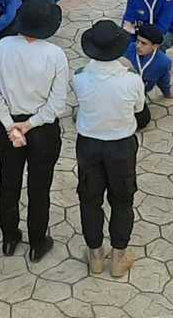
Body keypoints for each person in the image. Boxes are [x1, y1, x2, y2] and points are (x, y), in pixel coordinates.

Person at [0, 0, 68, 262]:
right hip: (41, 128)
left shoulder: (3, 47)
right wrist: (29, 124)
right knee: (39, 186)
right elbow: (57, 104)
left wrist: (10, 125)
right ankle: (37, 241)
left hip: (8, 125)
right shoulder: (55, 55)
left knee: (8, 181)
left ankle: (9, 237)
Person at [73, 20, 145, 277]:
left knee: (89, 199)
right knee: (123, 200)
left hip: (89, 144)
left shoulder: (79, 78)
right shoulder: (132, 80)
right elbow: (139, 108)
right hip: (121, 146)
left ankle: (95, 255)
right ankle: (118, 257)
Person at [125, 23, 173, 107]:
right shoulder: (127, 49)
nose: (138, 46)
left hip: (141, 93)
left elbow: (163, 81)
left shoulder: (163, 62)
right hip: (123, 90)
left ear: (155, 46)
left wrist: (168, 93)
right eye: (137, 41)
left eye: (143, 43)